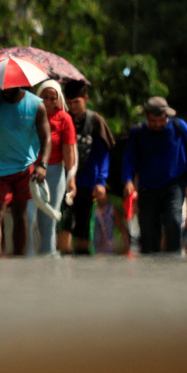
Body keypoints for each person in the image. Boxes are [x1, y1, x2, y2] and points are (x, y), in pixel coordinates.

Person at [0, 82, 51, 257]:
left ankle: (18, 259)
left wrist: (42, 165)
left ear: (19, 84)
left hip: (24, 169)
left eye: (9, 86)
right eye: (1, 87)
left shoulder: (36, 105)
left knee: (20, 215)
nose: (4, 90)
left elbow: (46, 138)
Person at [122, 96, 187, 254]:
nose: (157, 124)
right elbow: (129, 158)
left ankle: (174, 262)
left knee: (173, 221)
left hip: (174, 186)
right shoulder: (138, 132)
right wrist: (128, 180)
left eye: (161, 120)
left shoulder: (180, 127)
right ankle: (150, 270)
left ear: (167, 116)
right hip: (147, 189)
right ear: (146, 116)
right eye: (153, 121)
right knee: (149, 234)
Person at [59, 80, 116, 254]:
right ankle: (64, 264)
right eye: (68, 102)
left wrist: (101, 182)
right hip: (65, 182)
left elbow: (103, 155)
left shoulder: (95, 121)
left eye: (76, 102)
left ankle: (82, 267)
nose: (72, 106)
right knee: (64, 224)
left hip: (88, 183)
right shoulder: (62, 117)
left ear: (85, 98)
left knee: (83, 228)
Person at [26, 80, 76, 256]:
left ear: (58, 99)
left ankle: (48, 256)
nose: (48, 102)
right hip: (31, 171)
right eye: (44, 97)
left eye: (52, 98)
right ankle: (28, 257)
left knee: (49, 218)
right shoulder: (31, 115)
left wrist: (71, 180)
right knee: (28, 216)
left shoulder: (64, 118)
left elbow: (68, 151)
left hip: (55, 172)